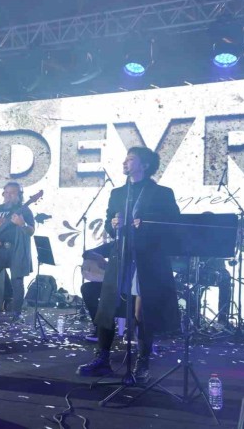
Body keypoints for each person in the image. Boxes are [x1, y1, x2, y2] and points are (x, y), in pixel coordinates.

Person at [77, 147, 180, 383]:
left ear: (145, 165)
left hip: (148, 258)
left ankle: (142, 363)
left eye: (130, 159)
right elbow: (108, 223)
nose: (125, 162)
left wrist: (147, 224)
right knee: (107, 307)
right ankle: (102, 359)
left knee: (142, 311)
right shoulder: (118, 193)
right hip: (121, 255)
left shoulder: (162, 193)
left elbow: (174, 223)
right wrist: (113, 224)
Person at [0, 182, 35, 324]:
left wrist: (22, 224)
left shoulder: (25, 211)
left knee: (17, 282)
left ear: (19, 195)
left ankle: (17, 315)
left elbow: (31, 231)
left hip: (16, 250)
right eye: (6, 192)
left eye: (12, 193)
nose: (8, 196)